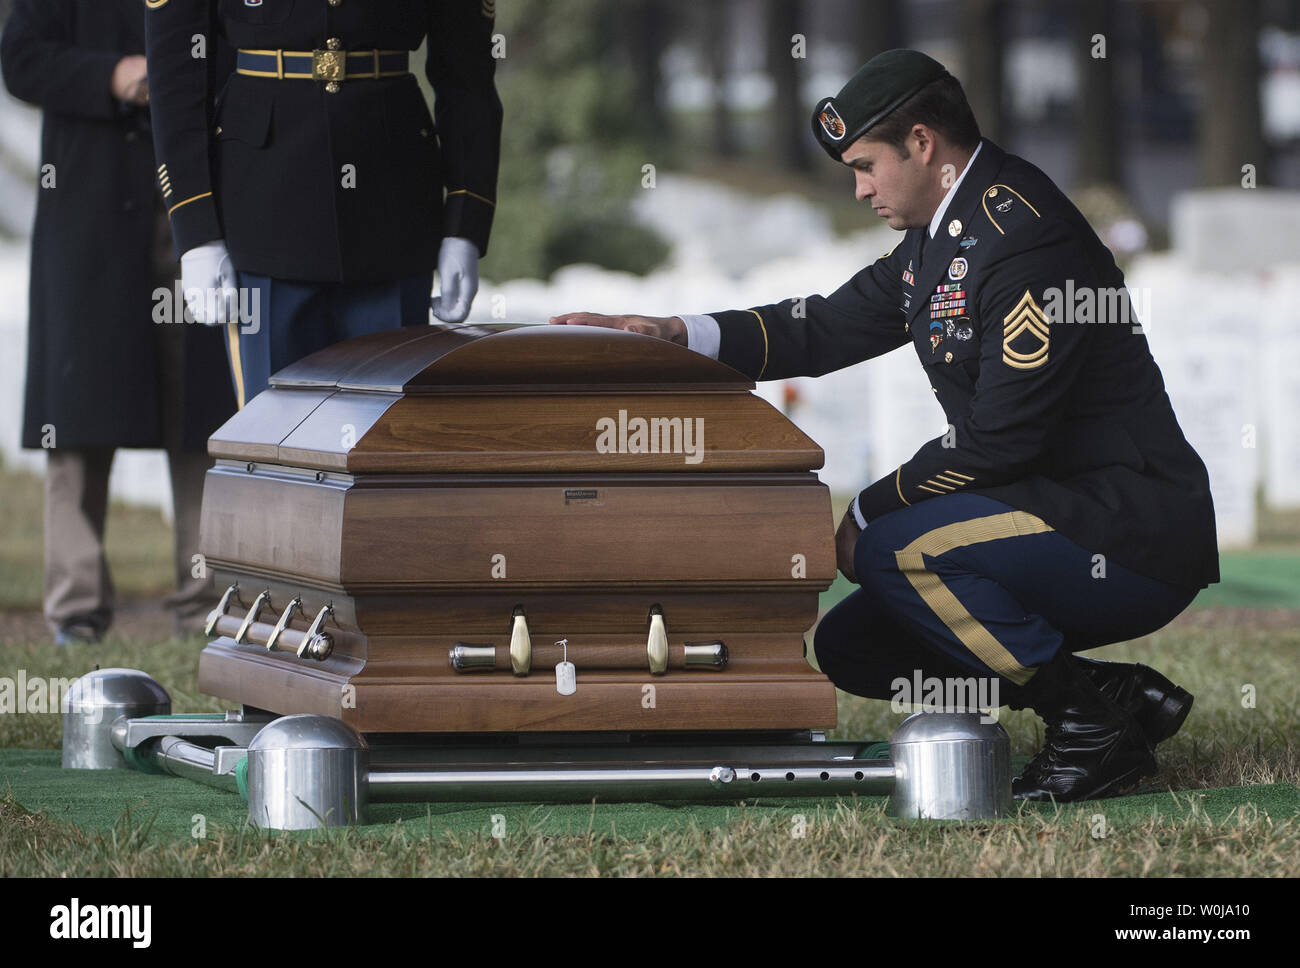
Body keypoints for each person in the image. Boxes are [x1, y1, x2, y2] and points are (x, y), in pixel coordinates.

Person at [551, 49, 1219, 802]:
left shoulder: (1025, 234)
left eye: (867, 166)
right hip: (1044, 511)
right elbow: (827, 326)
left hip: (1127, 524)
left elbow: (1004, 437)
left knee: (899, 551)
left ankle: (1087, 726)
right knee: (857, 646)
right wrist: (676, 333)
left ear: (924, 144)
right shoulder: (944, 234)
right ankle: (1105, 698)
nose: (861, 188)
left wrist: (868, 508)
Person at [2, 0, 237, 644]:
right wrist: (114, 75)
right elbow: (20, 62)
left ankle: (206, 604)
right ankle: (75, 611)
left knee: (203, 410)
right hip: (86, 209)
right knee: (76, 416)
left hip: (189, 210)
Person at [143, 0, 502, 405]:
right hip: (263, 211)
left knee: (386, 441)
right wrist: (196, 230)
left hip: (391, 209)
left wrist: (465, 222)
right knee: (272, 441)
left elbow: (468, 78)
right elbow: (176, 75)